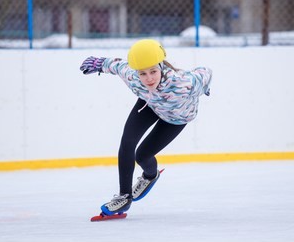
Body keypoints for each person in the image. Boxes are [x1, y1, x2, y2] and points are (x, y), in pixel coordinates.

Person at [79, 39, 212, 216]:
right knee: (127, 142)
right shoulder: (133, 76)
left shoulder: (183, 83)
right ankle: (124, 197)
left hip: (176, 117)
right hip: (149, 104)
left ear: (161, 67)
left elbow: (206, 72)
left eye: (153, 71)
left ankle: (150, 176)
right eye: (143, 74)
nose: (148, 78)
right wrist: (99, 64)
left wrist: (204, 87)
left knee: (142, 155)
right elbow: (117, 65)